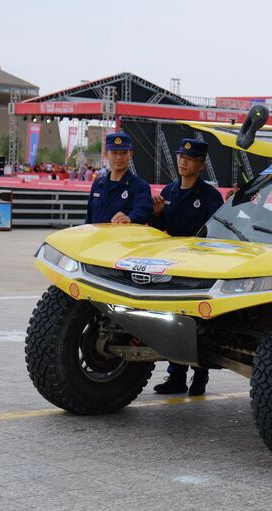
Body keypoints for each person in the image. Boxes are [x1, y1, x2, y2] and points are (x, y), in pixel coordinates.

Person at [150, 138, 224, 396]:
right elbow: (159, 232)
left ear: (201, 165)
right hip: (172, 266)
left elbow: (217, 231)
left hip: (198, 268)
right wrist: (157, 215)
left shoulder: (210, 196)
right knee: (173, 323)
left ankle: (200, 377)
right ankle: (176, 377)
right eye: (181, 156)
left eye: (189, 159)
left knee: (197, 323)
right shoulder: (168, 193)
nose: (183, 162)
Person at [85, 133, 153, 224]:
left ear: (131, 154)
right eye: (114, 152)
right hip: (98, 238)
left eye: (124, 153)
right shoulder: (98, 185)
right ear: (106, 154)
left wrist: (130, 218)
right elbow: (89, 219)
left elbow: (144, 211)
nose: (119, 157)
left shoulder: (140, 187)